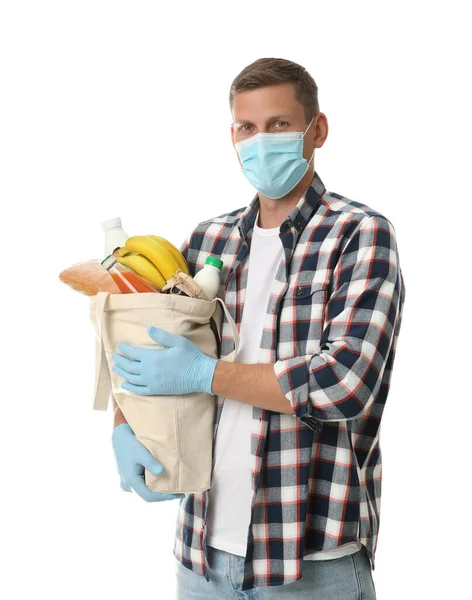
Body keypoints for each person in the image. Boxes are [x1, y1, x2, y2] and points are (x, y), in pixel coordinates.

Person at [110, 57, 405, 599]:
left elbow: (344, 382)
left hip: (311, 563)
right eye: (248, 127)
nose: (260, 140)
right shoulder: (209, 241)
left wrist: (203, 372)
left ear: (316, 129)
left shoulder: (359, 234)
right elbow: (141, 332)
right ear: (232, 135)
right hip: (200, 557)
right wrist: (123, 422)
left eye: (279, 125)